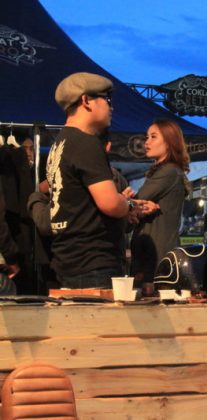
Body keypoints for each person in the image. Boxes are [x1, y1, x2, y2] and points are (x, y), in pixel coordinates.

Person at [47, 72, 145, 289]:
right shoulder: (86, 143)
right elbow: (110, 204)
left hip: (69, 259)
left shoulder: (60, 143)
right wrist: (128, 204)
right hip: (94, 262)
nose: (112, 107)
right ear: (86, 100)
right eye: (107, 99)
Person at [130, 119, 191, 285]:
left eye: (153, 137)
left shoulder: (168, 171)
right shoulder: (170, 171)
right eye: (147, 137)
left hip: (155, 256)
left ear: (170, 142)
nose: (147, 142)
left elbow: (136, 200)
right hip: (156, 253)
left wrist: (129, 203)